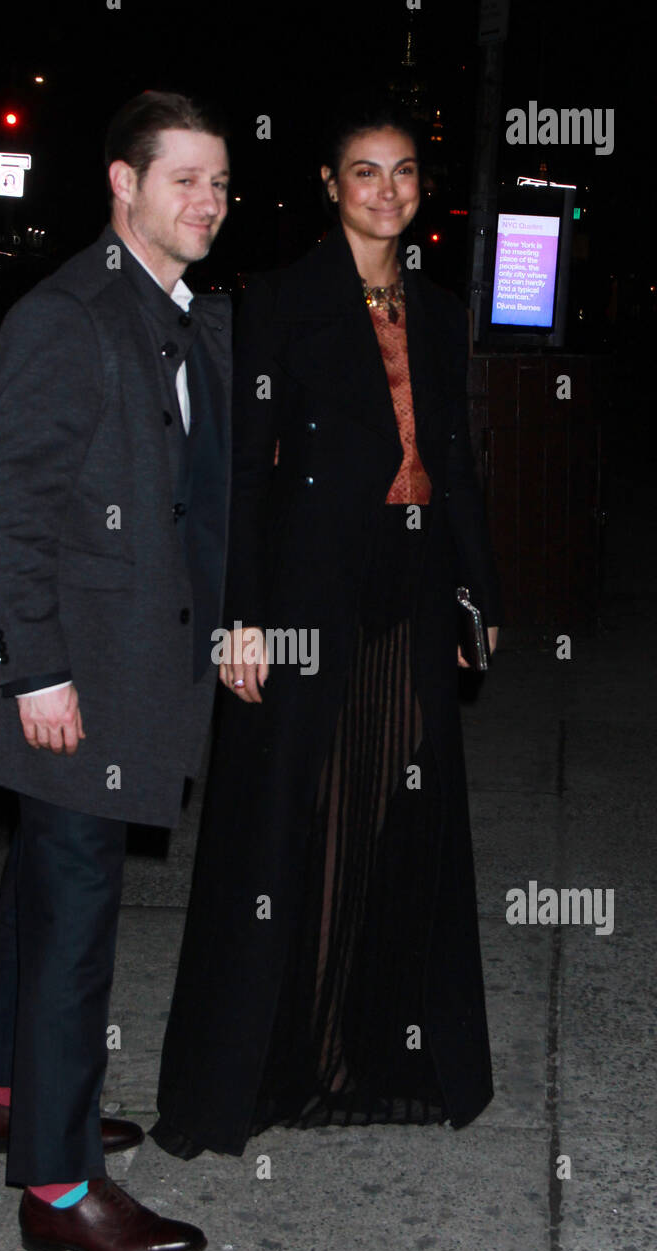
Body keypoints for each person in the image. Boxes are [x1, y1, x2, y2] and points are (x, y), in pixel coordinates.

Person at [150, 99, 502, 1160]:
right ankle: (262, 1065)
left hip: (412, 583)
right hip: (303, 598)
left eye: (400, 172)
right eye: (363, 172)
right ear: (328, 185)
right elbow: (239, 477)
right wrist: (239, 619)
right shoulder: (280, 299)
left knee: (402, 818)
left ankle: (371, 1041)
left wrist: (473, 596)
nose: (384, 190)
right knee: (292, 821)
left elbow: (456, 464)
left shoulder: (438, 311)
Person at [0, 91, 232, 1251]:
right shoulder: (70, 314)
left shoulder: (188, 313)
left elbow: (197, 498)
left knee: (43, 890)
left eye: (218, 182)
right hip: (66, 675)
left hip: (124, 662)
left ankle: (8, 1094)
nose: (206, 202)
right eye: (183, 180)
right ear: (122, 182)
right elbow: (12, 509)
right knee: (74, 922)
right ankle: (56, 1189)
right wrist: (39, 673)